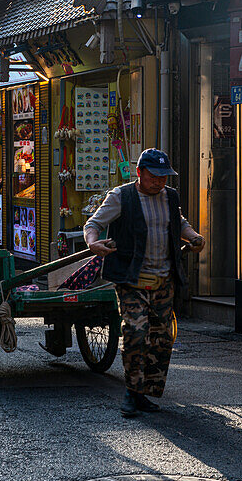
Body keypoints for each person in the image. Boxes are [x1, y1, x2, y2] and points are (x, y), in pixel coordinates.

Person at [83, 148, 206, 418]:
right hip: (132, 279)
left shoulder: (170, 197)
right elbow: (93, 224)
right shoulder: (121, 196)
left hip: (164, 280)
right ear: (139, 173)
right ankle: (131, 390)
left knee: (161, 338)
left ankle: (146, 392)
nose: (160, 182)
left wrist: (193, 237)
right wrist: (93, 243)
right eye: (154, 176)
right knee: (135, 333)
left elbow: (179, 223)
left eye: (164, 177)